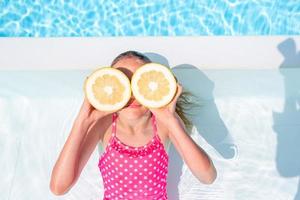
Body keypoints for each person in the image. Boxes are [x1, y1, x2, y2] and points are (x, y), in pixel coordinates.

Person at [50, 51, 217, 199]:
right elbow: (59, 188)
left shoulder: (165, 123)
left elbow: (207, 177)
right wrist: (82, 122)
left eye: (139, 85)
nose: (131, 95)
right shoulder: (103, 125)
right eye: (122, 85)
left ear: (152, 89)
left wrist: (172, 121)